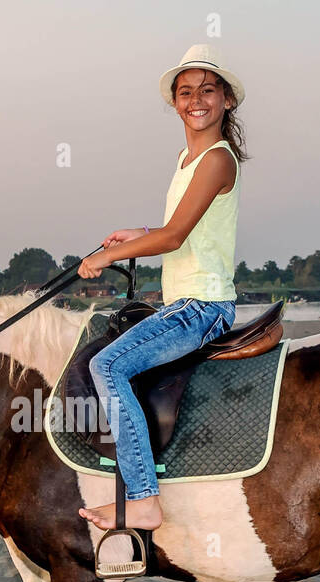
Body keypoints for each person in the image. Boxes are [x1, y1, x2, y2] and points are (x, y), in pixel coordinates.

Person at [78, 44, 246, 531]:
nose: (197, 100)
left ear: (227, 100)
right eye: (186, 92)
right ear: (175, 104)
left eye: (207, 90)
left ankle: (145, 499)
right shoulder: (187, 159)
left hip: (203, 306)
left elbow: (174, 237)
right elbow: (181, 227)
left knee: (106, 365)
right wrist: (137, 233)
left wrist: (107, 256)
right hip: (184, 300)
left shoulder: (217, 159)